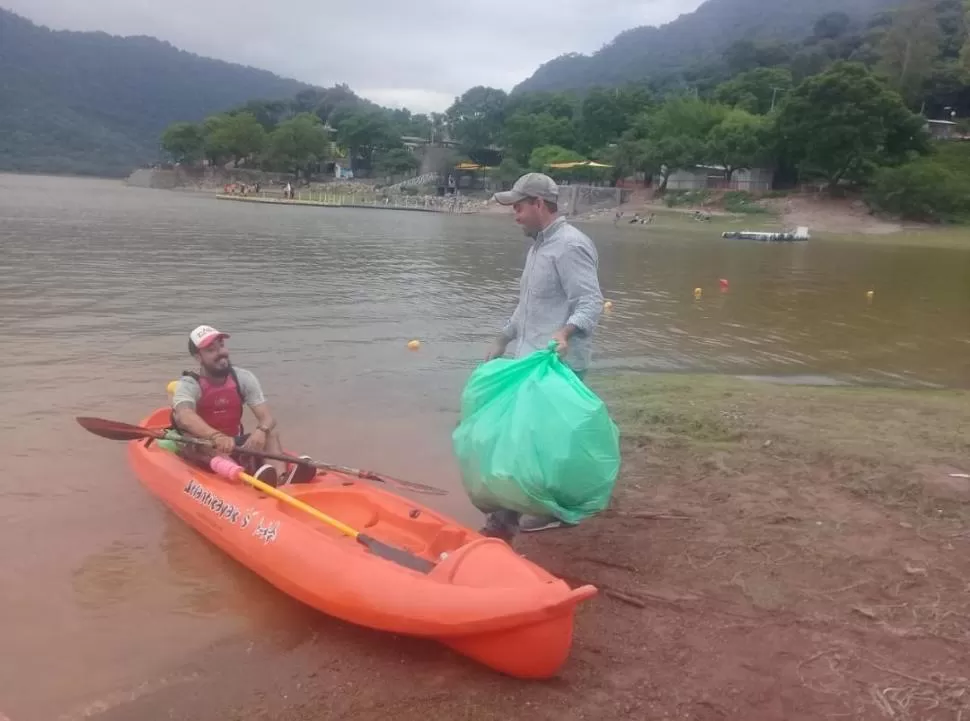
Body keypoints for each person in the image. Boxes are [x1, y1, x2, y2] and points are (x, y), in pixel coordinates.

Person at [482, 172, 605, 541]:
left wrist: (565, 332)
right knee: (528, 440)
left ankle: (505, 524)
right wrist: (503, 338)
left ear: (538, 204)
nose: (515, 215)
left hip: (557, 363)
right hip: (531, 359)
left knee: (532, 442)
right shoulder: (539, 246)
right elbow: (529, 305)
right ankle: (513, 518)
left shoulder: (569, 246)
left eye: (518, 207)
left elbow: (590, 301)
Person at [170, 325, 315, 487]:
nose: (220, 353)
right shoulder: (189, 384)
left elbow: (267, 418)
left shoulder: (242, 378)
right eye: (211, 350)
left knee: (271, 432)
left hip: (234, 442)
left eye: (221, 346)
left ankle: (282, 479)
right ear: (198, 357)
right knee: (209, 446)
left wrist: (262, 431)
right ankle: (243, 481)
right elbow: (184, 415)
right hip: (203, 445)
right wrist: (216, 436)